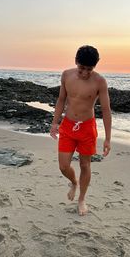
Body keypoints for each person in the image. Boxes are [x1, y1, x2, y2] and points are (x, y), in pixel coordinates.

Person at [50, 45, 111, 215]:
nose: (84, 73)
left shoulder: (100, 82)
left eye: (89, 69)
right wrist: (55, 123)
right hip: (68, 126)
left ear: (95, 66)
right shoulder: (66, 75)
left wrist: (108, 138)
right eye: (81, 68)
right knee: (63, 166)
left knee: (85, 164)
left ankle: (82, 199)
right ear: (76, 61)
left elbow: (106, 110)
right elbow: (61, 99)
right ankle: (74, 182)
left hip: (87, 128)